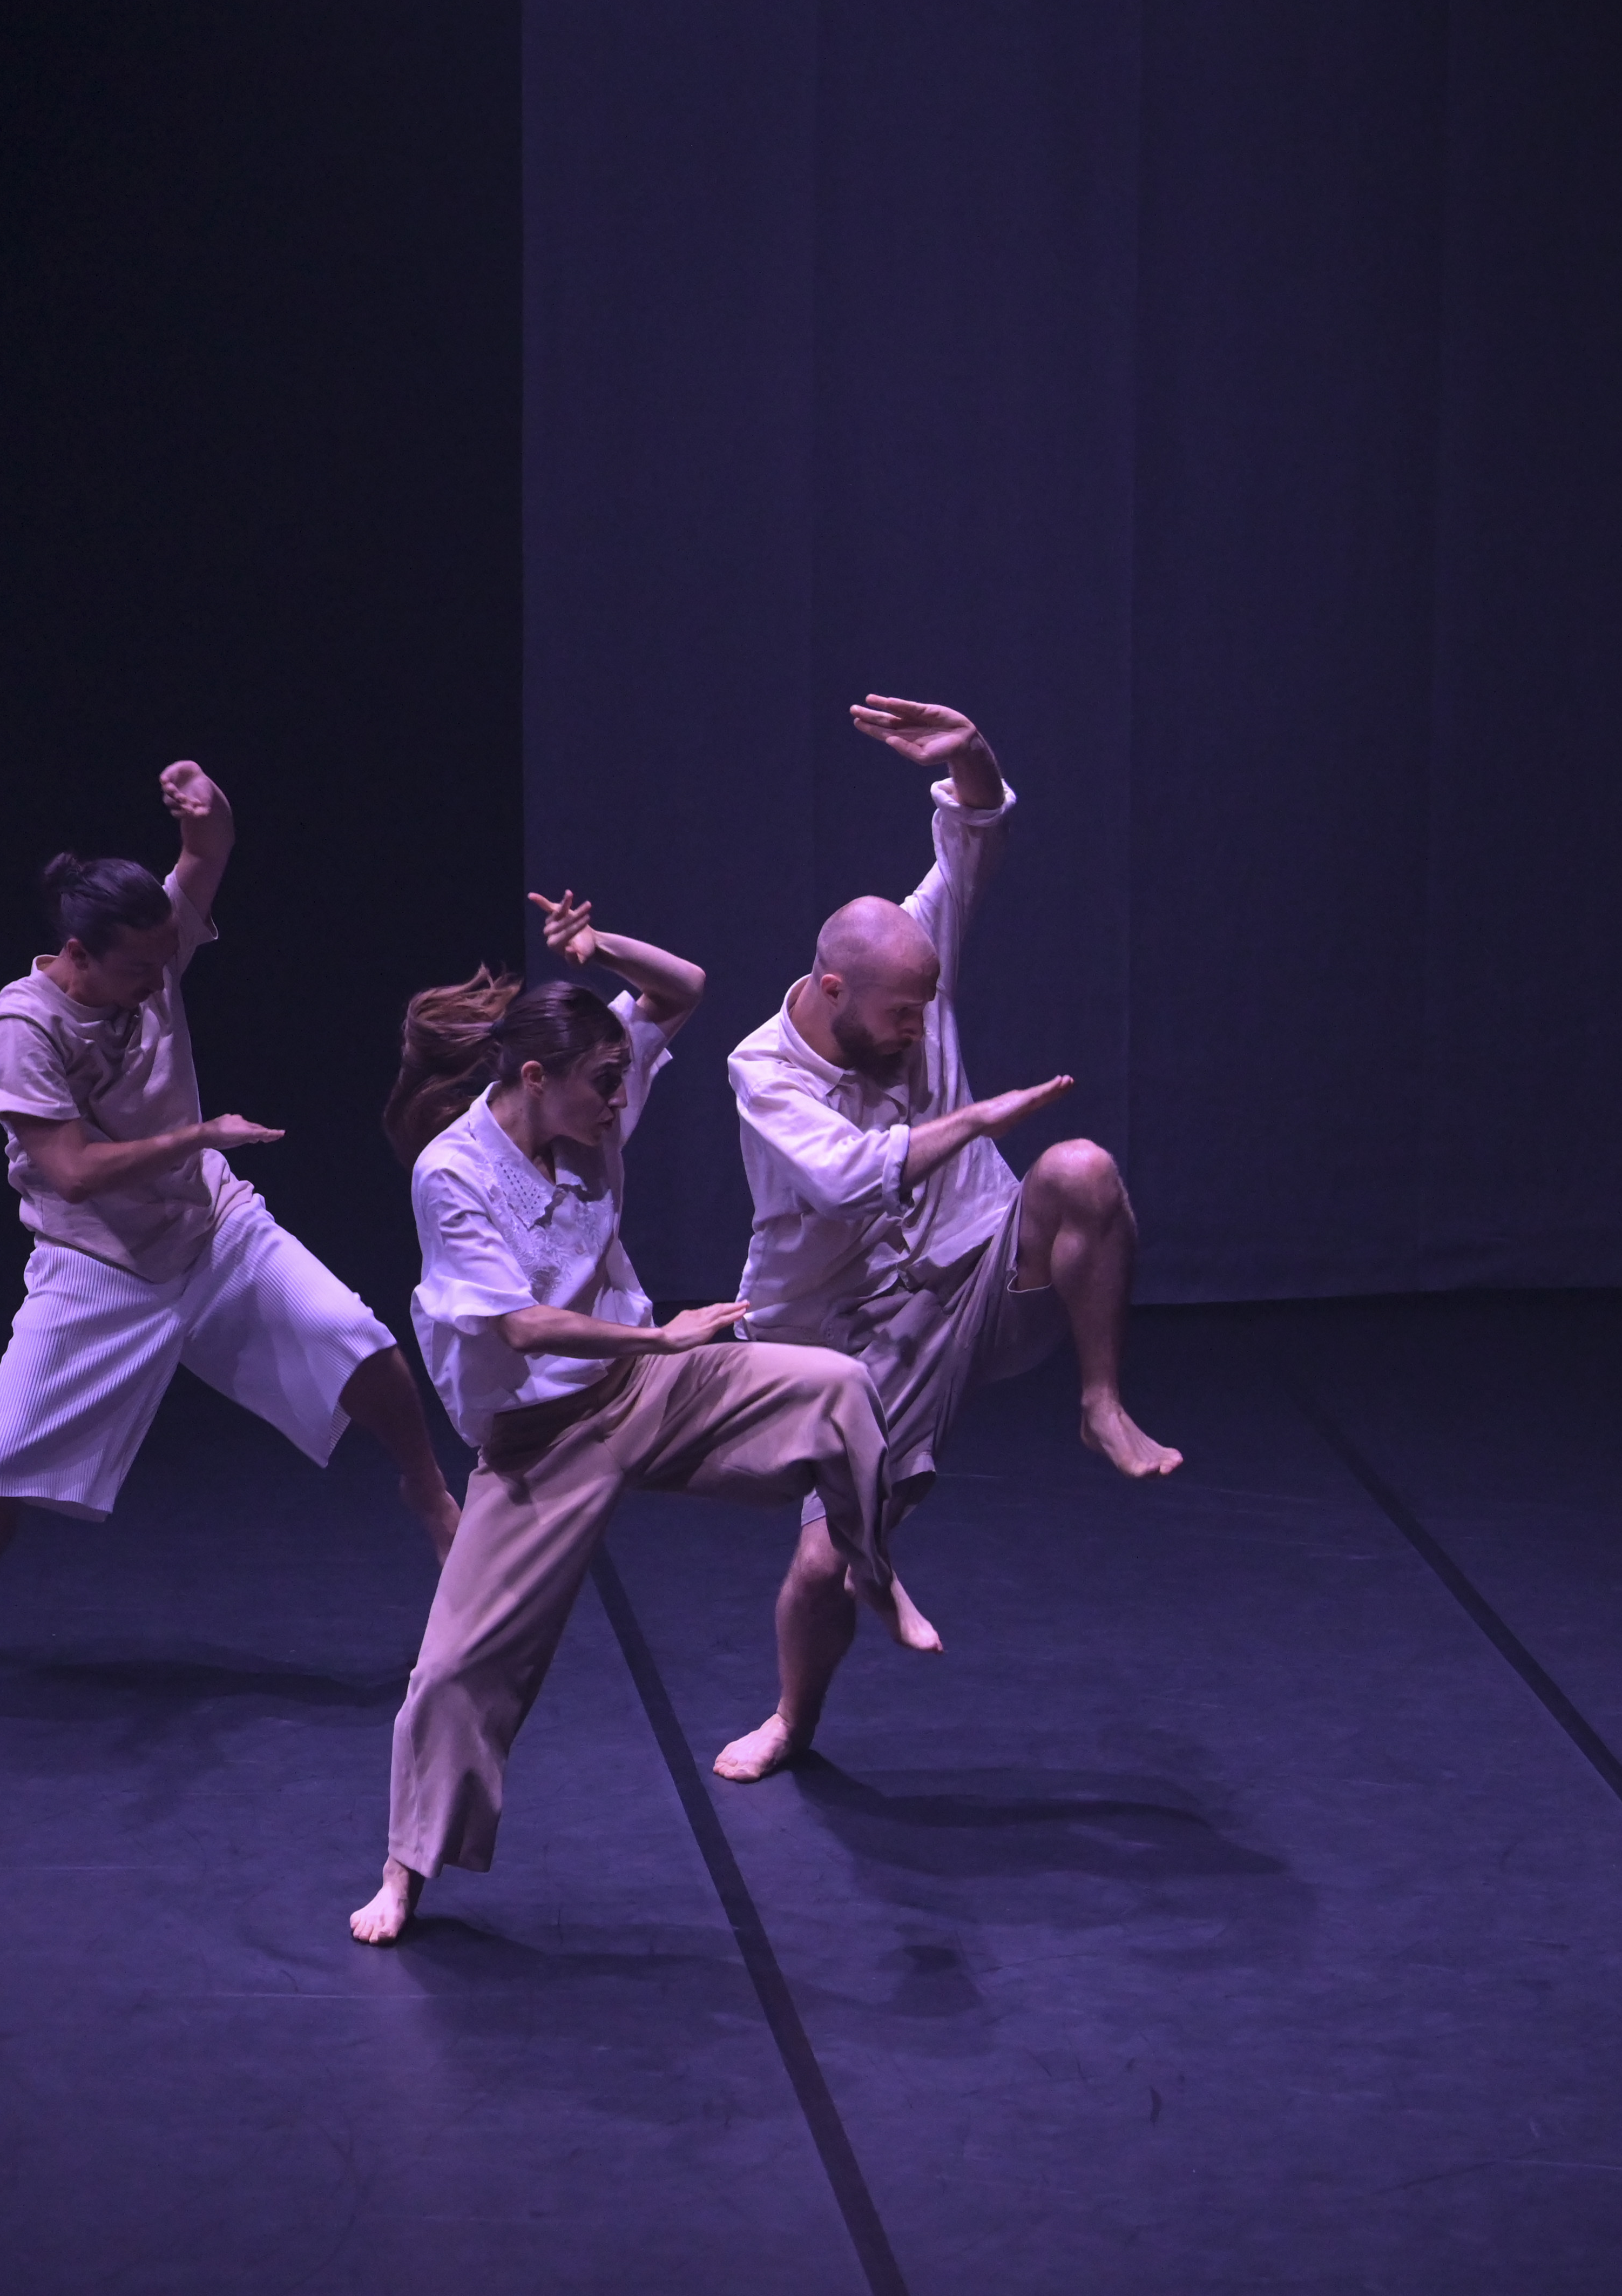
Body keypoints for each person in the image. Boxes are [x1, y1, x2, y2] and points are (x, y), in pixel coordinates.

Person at [348, 903, 898, 1946]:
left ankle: (871, 1569)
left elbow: (684, 987)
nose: (619, 1098)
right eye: (603, 1084)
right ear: (535, 1081)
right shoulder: (453, 1174)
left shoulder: (588, 1096)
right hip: (541, 1442)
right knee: (455, 1670)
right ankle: (403, 1870)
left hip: (646, 1388)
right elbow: (521, 1323)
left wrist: (598, 949)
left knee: (836, 1385)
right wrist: (661, 1337)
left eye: (618, 1078)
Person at [0, 759, 458, 1681]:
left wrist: (208, 806)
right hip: (98, 1260)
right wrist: (200, 1133)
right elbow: (71, 1172)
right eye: (140, 968)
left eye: (165, 960)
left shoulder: (150, 951)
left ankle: (429, 1494)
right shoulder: (22, 1026)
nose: (161, 980)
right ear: (78, 954)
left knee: (356, 1337)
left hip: (212, 1226)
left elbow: (205, 853)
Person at [710, 692, 1181, 1786]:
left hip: (979, 1273)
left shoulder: (908, 963)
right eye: (899, 1017)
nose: (919, 1029)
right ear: (833, 990)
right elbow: (845, 1179)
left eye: (928, 1007)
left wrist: (972, 754)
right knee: (821, 1565)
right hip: (853, 1336)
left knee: (1081, 1170)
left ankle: (1099, 1403)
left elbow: (972, 834)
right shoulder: (762, 1071)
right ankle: (793, 1718)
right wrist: (973, 1119)